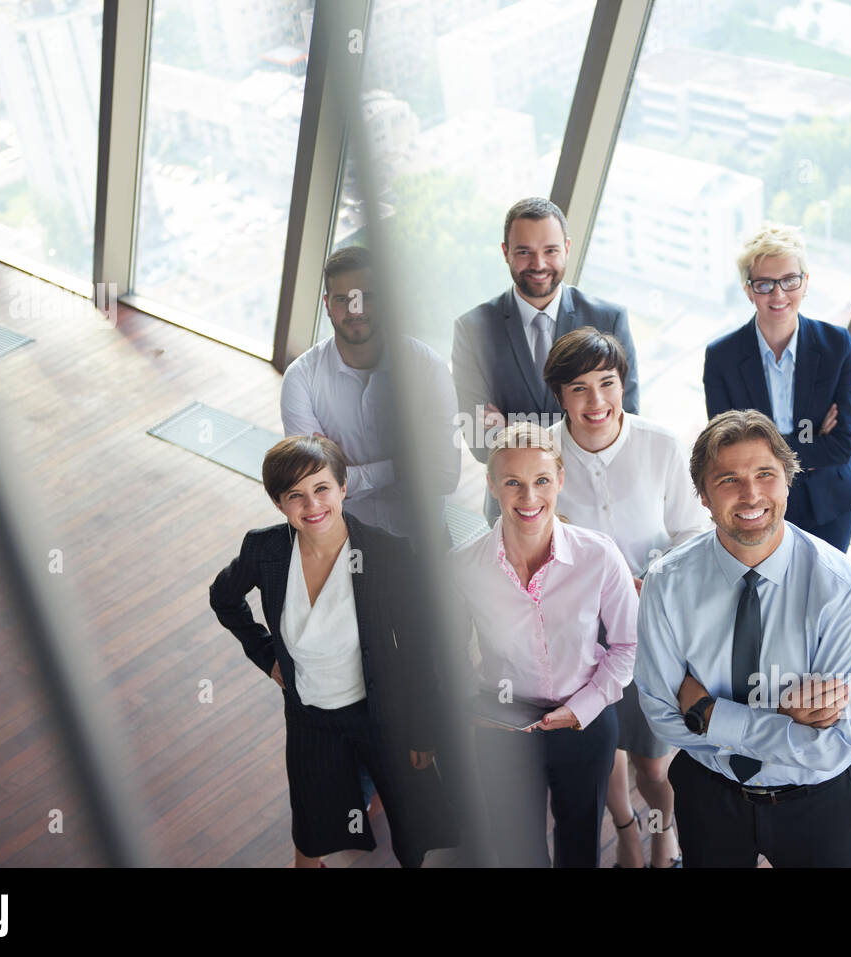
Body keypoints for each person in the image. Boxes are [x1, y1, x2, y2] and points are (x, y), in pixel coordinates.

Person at [634, 410, 851, 867]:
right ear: (703, 497)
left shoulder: (841, 588)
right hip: (710, 794)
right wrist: (785, 716)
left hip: (817, 803)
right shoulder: (667, 581)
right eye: (728, 480)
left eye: (766, 474)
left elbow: (832, 744)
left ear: (788, 481)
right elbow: (663, 718)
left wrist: (709, 713)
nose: (751, 494)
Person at [209, 435, 456, 868]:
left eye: (322, 488)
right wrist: (266, 656)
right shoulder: (264, 550)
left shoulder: (387, 554)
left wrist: (424, 730)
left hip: (381, 715)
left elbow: (421, 650)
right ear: (279, 504)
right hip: (310, 717)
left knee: (415, 823)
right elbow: (224, 598)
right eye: (295, 496)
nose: (312, 504)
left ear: (343, 487)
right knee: (312, 820)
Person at [543, 327, 710, 868]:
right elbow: (518, 536)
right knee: (601, 752)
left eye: (607, 384)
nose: (596, 402)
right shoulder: (540, 453)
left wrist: (652, 578)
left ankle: (665, 834)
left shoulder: (661, 444)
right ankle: (628, 831)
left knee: (653, 761)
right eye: (579, 389)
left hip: (650, 624)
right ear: (560, 396)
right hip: (575, 631)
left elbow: (690, 533)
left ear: (623, 384)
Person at [447, 422, 639, 867]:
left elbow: (627, 645)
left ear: (560, 480)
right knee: (515, 846)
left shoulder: (600, 555)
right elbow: (448, 653)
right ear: (493, 484)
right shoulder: (463, 566)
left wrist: (583, 708)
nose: (528, 497)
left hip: (584, 720)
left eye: (541, 481)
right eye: (512, 482)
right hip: (503, 726)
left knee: (580, 839)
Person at [451, 197, 640, 519]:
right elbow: (480, 440)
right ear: (505, 252)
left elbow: (626, 422)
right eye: (524, 251)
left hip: (594, 503)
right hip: (512, 510)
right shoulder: (473, 329)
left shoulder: (608, 320)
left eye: (550, 250)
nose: (538, 264)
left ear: (567, 248)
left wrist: (513, 427)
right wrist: (580, 426)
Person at [702, 223, 851, 552]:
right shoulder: (722, 356)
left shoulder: (836, 345)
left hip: (829, 501)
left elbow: (840, 446)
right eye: (765, 284)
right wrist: (810, 442)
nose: (778, 295)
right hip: (756, 504)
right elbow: (730, 451)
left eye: (789, 281)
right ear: (749, 290)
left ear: (805, 283)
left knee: (824, 593)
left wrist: (765, 449)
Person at [280, 245, 460, 540]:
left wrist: (347, 476)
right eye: (342, 299)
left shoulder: (428, 369)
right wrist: (403, 464)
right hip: (342, 541)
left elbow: (444, 476)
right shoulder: (300, 379)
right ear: (327, 304)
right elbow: (313, 486)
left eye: (367, 297)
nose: (355, 310)